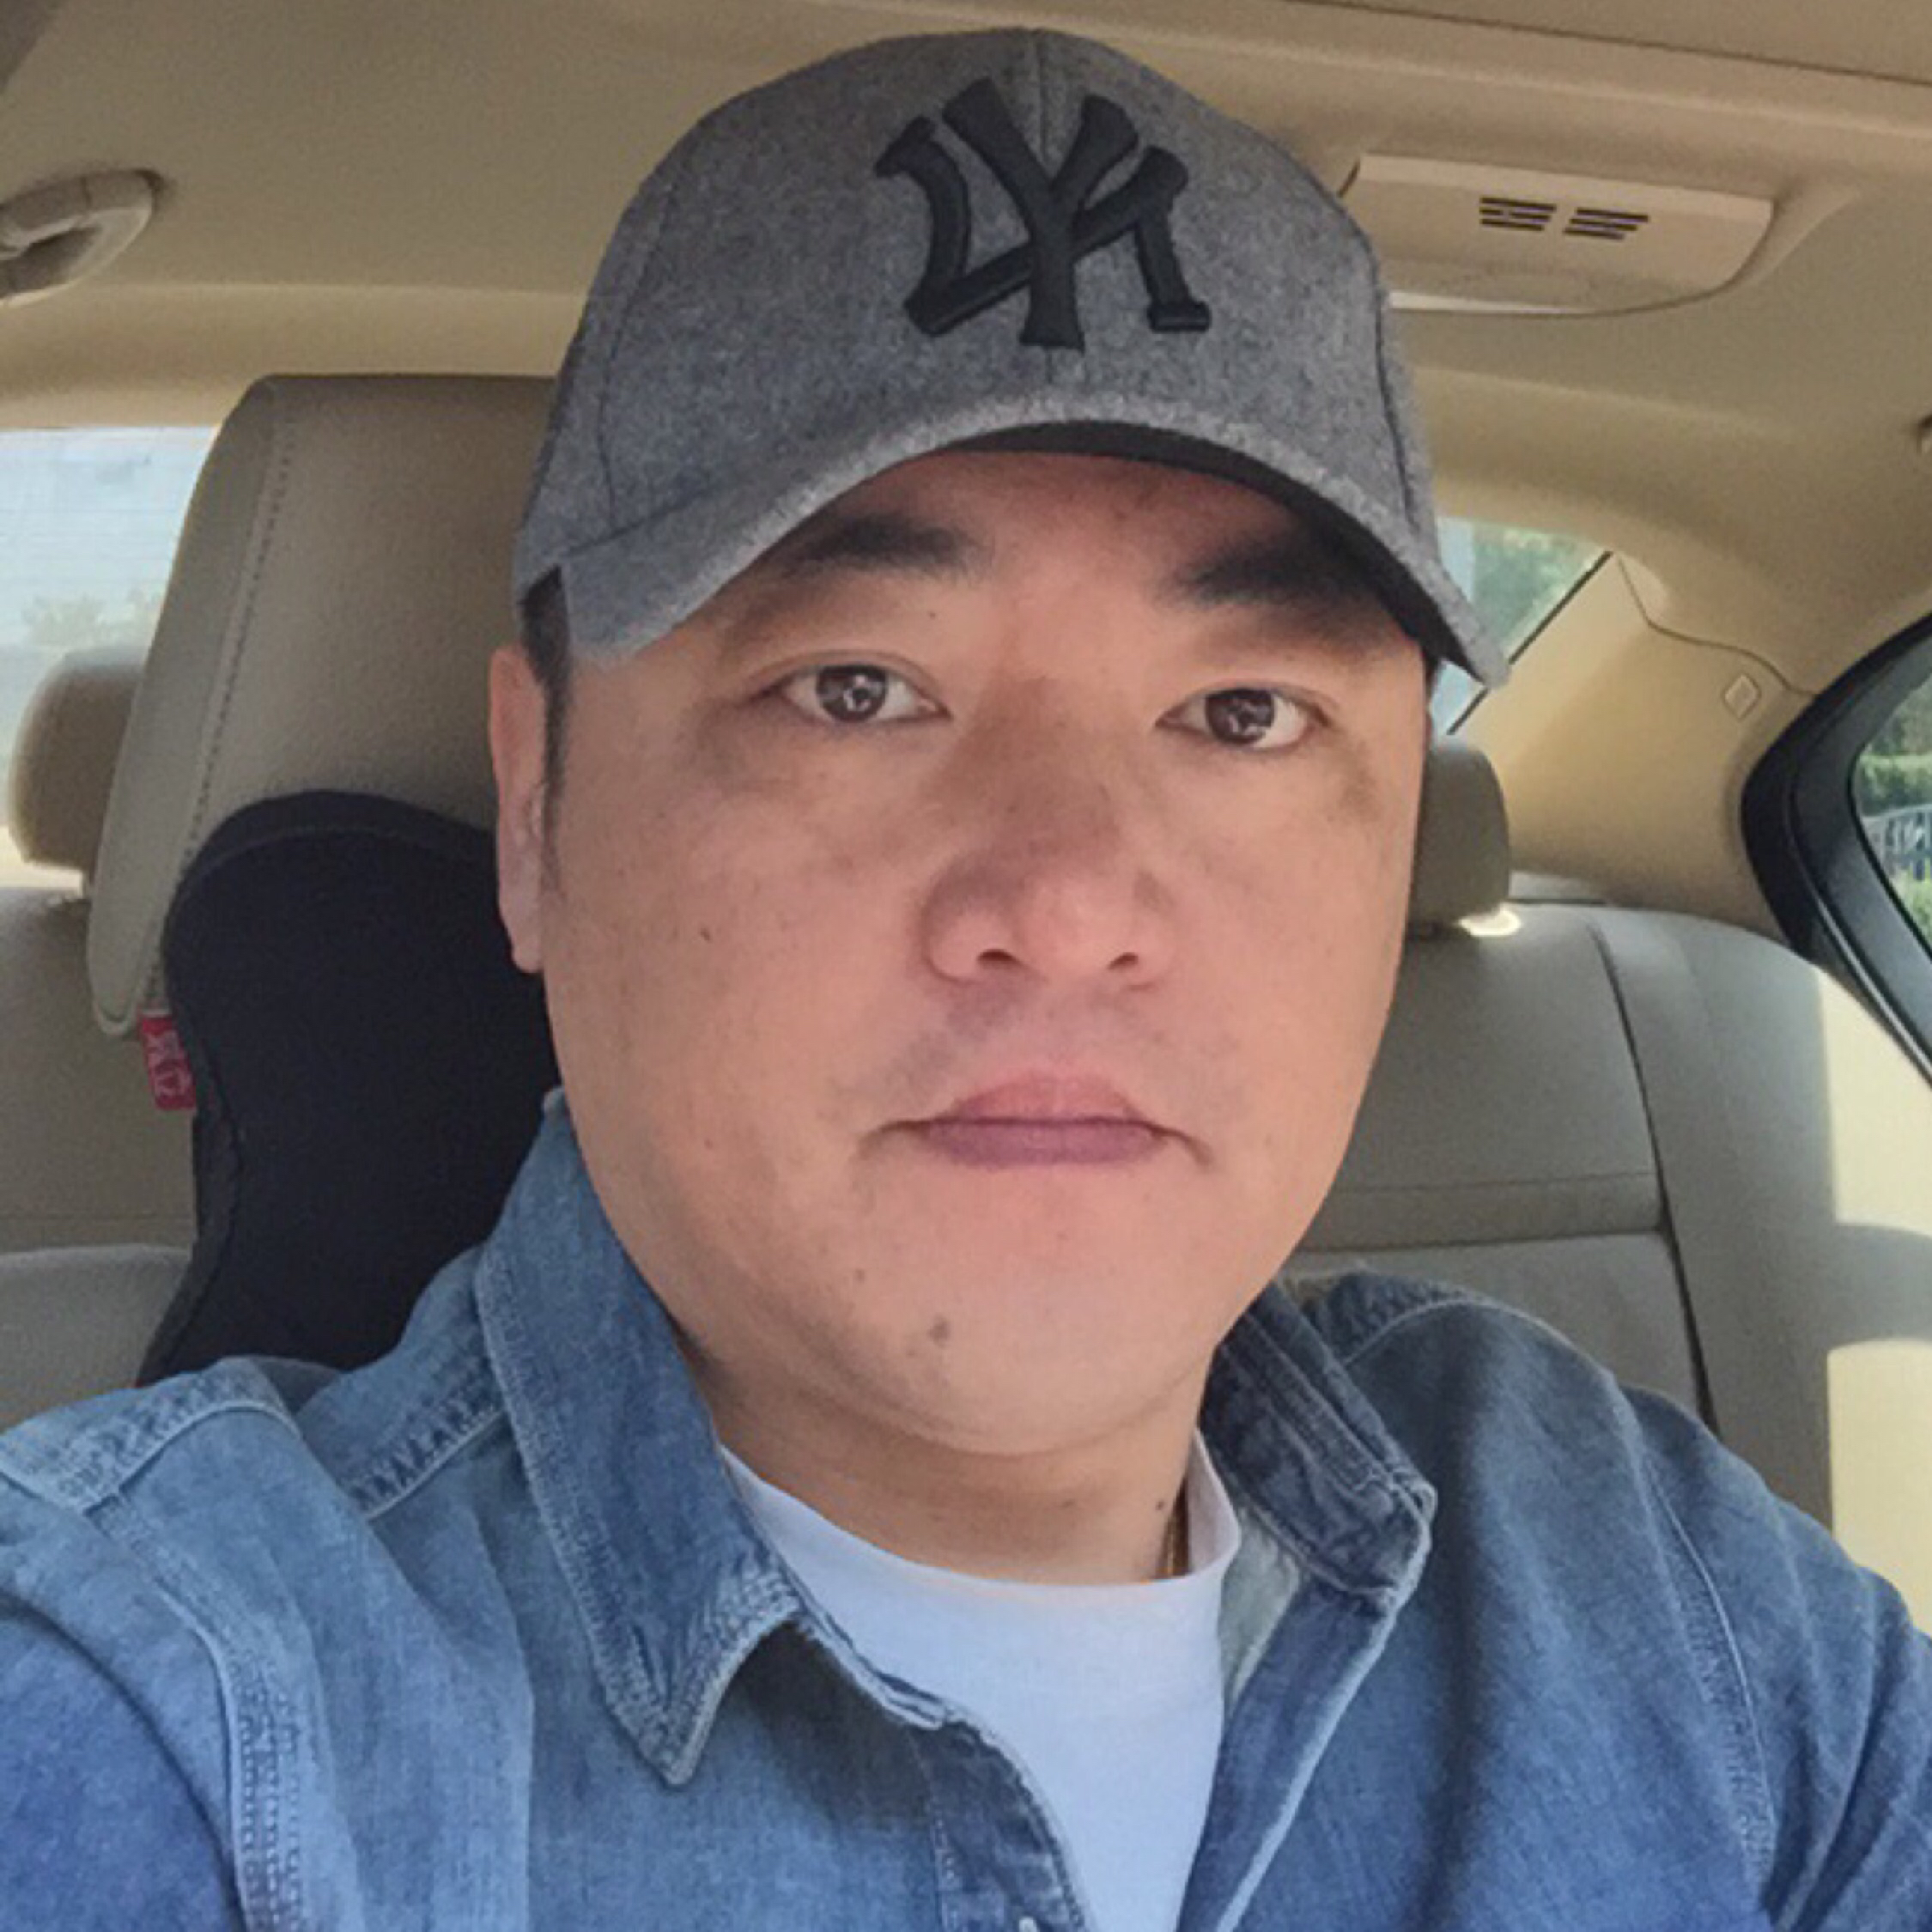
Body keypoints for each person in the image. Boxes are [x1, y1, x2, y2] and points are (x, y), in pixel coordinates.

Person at [2, 25, 1929, 1931]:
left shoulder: (1648, 1577)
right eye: (856, 690)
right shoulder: (157, 1718)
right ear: (536, 812)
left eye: (1242, 713)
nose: (1070, 901)